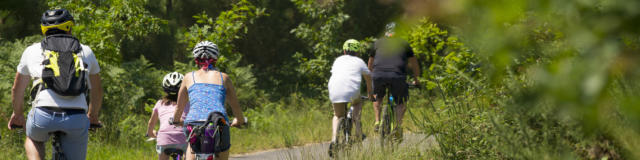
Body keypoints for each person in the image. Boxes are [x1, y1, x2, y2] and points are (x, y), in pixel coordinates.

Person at [7, 9, 103, 160]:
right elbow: (97, 90)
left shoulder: (31, 50)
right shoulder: (85, 51)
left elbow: (17, 89)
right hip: (76, 117)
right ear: (69, 27)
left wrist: (18, 114)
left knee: (33, 139)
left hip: (43, 115)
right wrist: (93, 116)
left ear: (44, 29)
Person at [171, 41, 245, 160]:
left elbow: (179, 107)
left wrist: (175, 120)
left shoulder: (188, 77)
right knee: (222, 151)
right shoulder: (224, 78)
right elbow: (235, 107)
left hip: (193, 123)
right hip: (218, 123)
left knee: (192, 145)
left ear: (196, 59)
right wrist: (240, 121)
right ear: (215, 58)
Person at [368, 22, 420, 140]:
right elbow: (414, 63)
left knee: (377, 97)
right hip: (397, 76)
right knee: (401, 102)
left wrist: (371, 77)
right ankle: (397, 126)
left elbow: (370, 63)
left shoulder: (377, 43)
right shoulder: (404, 43)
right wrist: (417, 80)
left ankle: (377, 121)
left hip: (378, 75)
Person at [327, 39, 373, 156]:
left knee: (337, 115)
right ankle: (358, 131)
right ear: (357, 52)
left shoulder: (337, 60)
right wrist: (370, 93)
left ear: (344, 51)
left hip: (335, 90)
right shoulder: (359, 61)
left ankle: (333, 139)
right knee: (357, 104)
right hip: (352, 91)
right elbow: (368, 77)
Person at [147, 72, 189, 160]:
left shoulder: (159, 103)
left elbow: (151, 122)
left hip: (164, 139)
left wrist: (151, 133)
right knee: (188, 154)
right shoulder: (187, 104)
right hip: (183, 139)